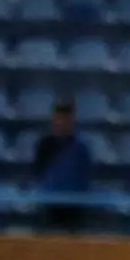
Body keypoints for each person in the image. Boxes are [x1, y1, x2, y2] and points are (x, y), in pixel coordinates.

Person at [31, 98, 94, 232]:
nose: (61, 122)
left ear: (72, 120)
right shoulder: (44, 144)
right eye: (59, 118)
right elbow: (38, 172)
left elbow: (84, 177)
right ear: (54, 119)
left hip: (74, 207)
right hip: (49, 205)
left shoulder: (81, 148)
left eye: (66, 118)